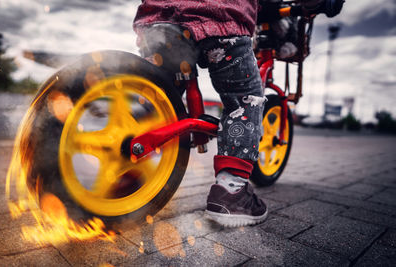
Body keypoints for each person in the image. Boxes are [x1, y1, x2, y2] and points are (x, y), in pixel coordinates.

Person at [132, 0, 335, 227]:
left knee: (157, 98)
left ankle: (130, 170)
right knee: (244, 98)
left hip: (156, 22)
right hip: (219, 20)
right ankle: (231, 192)